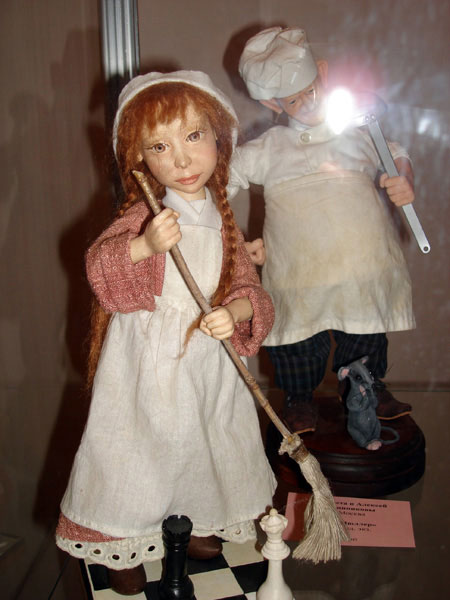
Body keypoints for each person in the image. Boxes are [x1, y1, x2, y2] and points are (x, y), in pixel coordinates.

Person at [56, 71, 276, 596]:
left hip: (208, 362)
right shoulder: (145, 215)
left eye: (194, 137)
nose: (181, 160)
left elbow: (250, 288)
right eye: (160, 146)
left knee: (206, 441)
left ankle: (199, 518)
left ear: (219, 139)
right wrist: (145, 246)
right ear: (140, 159)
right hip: (147, 362)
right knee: (137, 449)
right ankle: (123, 537)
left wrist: (236, 311)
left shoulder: (224, 222)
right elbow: (99, 266)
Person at [230, 27, 416, 435]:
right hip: (299, 271)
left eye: (311, 90)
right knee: (296, 338)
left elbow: (395, 155)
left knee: (365, 328)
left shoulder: (356, 132)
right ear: (271, 103)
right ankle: (298, 398)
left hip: (360, 265)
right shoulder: (268, 148)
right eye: (293, 100)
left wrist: (403, 178)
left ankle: (368, 386)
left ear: (324, 73)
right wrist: (225, 235)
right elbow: (224, 178)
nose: (308, 104)